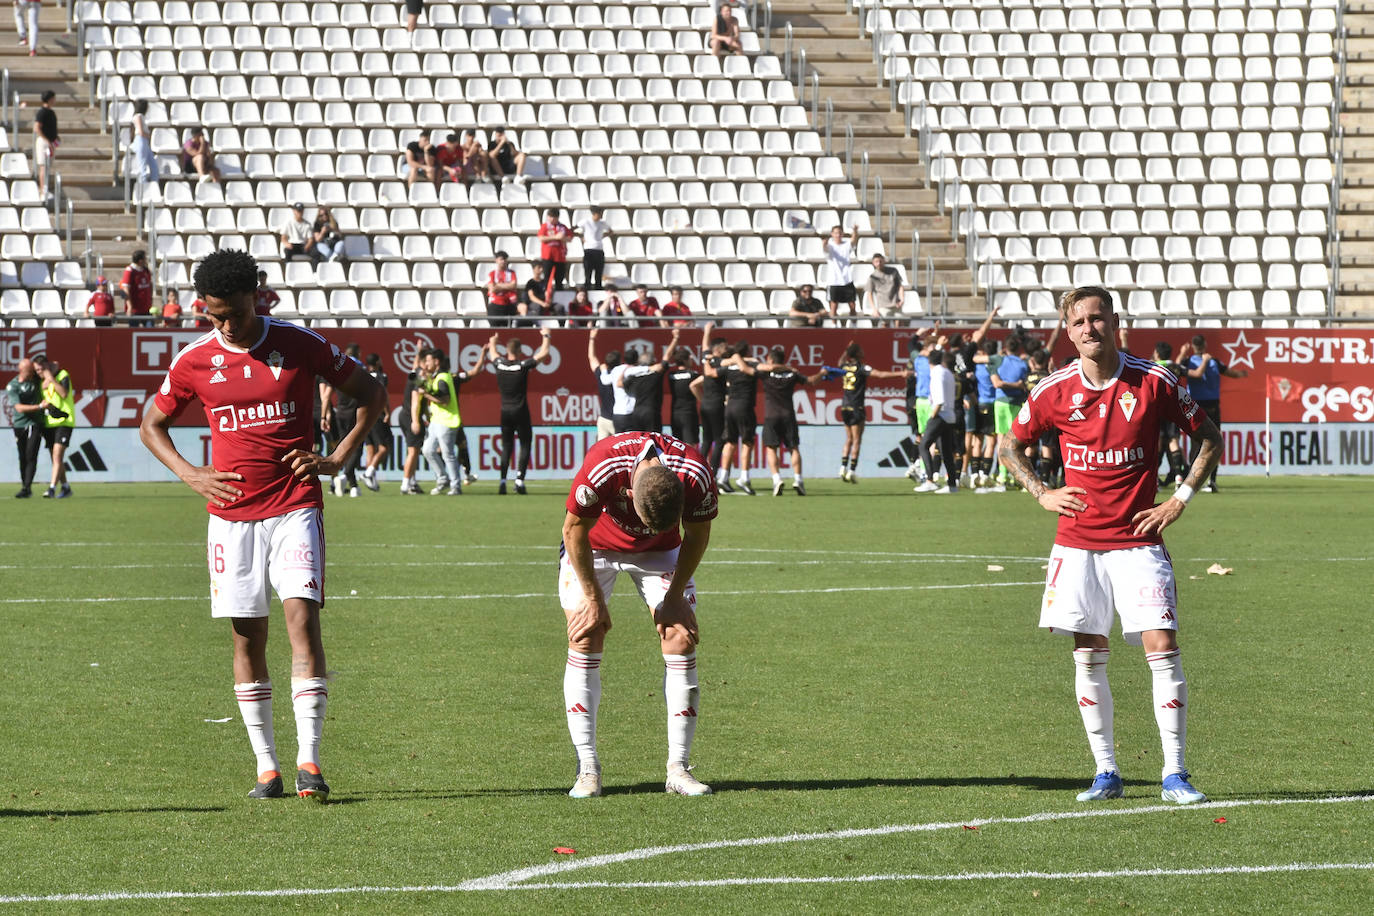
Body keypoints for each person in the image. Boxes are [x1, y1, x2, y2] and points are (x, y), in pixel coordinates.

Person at [139, 249, 386, 802]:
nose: (224, 324)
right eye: (213, 315)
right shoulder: (195, 361)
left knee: (303, 624)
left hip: (295, 504)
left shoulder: (300, 344)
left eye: (233, 313)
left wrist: (341, 456)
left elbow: (371, 393)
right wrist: (192, 475)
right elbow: (151, 424)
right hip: (230, 517)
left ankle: (310, 763)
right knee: (247, 635)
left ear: (259, 293)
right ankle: (266, 769)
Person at [999, 285, 1221, 806]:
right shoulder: (1053, 390)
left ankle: (1175, 773)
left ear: (1115, 321)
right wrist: (1042, 492)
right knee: (1087, 652)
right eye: (1077, 323)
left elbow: (1209, 435)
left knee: (1162, 648)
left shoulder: (1153, 381)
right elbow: (1010, 446)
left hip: (1137, 541)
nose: (1088, 330)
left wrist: (1179, 500)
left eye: (1097, 319)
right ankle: (1106, 772)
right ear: (1068, 330)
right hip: (1076, 545)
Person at [559, 430, 719, 798]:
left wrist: (676, 596)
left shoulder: (694, 473)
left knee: (679, 634)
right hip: (594, 547)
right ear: (628, 495)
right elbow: (573, 531)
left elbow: (697, 534)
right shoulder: (603, 465)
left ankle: (679, 769)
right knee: (585, 632)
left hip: (661, 554)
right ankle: (588, 769)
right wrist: (593, 598)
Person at [829, 342, 912, 483]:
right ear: (858, 354)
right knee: (856, 440)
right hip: (856, 407)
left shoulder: (845, 366)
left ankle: (842, 467)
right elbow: (880, 374)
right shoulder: (861, 368)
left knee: (848, 439)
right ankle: (852, 471)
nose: (863, 351)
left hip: (844, 407)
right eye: (860, 349)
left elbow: (840, 362)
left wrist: (846, 350)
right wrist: (900, 373)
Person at [1178, 335, 1248, 493]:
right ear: (1205, 344)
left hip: (1194, 405)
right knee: (1215, 441)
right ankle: (1212, 481)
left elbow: (1176, 367)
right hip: (1213, 406)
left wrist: (1182, 353)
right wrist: (1242, 374)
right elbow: (1232, 373)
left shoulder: (1188, 361)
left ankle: (1191, 480)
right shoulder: (1214, 361)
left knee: (1196, 442)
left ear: (1194, 346)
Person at [489, 330, 552, 494]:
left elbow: (492, 353)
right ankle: (519, 480)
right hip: (521, 411)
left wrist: (493, 341)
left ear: (507, 350)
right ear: (518, 351)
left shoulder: (499, 365)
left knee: (506, 446)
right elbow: (544, 354)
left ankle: (502, 481)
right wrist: (546, 336)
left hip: (505, 411)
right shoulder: (522, 366)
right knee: (524, 444)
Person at [418, 346, 483, 495]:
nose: (426, 364)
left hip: (447, 421)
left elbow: (445, 400)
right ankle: (443, 479)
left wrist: (425, 394)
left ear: (437, 361)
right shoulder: (436, 376)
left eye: (428, 360)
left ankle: (455, 486)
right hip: (436, 420)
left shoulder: (443, 378)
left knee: (448, 454)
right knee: (427, 450)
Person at [756, 347, 822, 495]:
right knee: (793, 448)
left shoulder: (766, 373)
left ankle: (776, 479)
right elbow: (811, 381)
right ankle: (798, 480)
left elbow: (749, 369)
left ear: (771, 360)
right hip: (788, 415)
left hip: (771, 416)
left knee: (771, 448)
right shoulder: (792, 373)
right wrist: (823, 373)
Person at [716, 340, 763, 494]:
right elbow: (756, 364)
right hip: (745, 407)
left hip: (729, 407)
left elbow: (716, 369)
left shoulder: (729, 366)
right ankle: (744, 477)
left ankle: (723, 477)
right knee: (747, 442)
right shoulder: (752, 365)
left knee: (730, 442)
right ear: (747, 351)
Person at [913, 349, 960, 494]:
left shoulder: (936, 373)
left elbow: (939, 399)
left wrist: (933, 415)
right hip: (950, 415)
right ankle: (952, 485)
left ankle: (929, 481)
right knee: (946, 452)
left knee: (923, 445)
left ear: (929, 361)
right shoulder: (947, 373)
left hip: (940, 415)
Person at [323, 343, 366, 498]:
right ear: (358, 353)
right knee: (357, 446)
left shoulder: (337, 365)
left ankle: (351, 484)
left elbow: (327, 394)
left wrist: (324, 414)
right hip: (355, 411)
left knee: (344, 445)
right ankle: (347, 474)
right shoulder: (358, 366)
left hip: (340, 412)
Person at [617, 332, 679, 433]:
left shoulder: (634, 376)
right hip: (651, 412)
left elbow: (619, 383)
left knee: (639, 442)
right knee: (654, 442)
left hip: (636, 412)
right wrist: (675, 339)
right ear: (653, 362)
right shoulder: (656, 374)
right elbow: (667, 356)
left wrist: (627, 368)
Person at [991, 333, 1030, 487]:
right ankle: (1016, 475)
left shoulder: (998, 361)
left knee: (1001, 439)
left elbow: (997, 383)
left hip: (1000, 403)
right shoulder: (1023, 364)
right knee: (1016, 441)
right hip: (1016, 403)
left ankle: (1002, 475)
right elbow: (1024, 384)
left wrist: (1003, 383)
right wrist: (1017, 385)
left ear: (1005, 348)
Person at [691, 323, 730, 472]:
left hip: (705, 404)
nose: (727, 350)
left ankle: (698, 470)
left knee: (706, 440)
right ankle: (712, 474)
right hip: (716, 404)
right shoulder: (720, 362)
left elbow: (705, 345)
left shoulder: (706, 358)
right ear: (718, 349)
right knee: (719, 440)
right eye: (725, 348)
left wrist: (706, 331)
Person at [34, 354, 73, 499]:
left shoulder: (63, 375)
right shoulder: (41, 382)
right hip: (49, 422)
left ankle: (51, 488)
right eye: (36, 370)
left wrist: (51, 378)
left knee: (57, 456)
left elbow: (63, 393)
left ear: (46, 367)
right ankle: (66, 487)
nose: (38, 372)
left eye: (39, 369)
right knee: (55, 458)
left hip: (65, 421)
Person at [6, 358, 44, 498]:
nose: (32, 373)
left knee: (31, 454)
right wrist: (39, 406)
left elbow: (54, 365)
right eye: (29, 371)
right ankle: (25, 487)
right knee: (22, 456)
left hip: (35, 423)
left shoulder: (35, 379)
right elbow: (19, 408)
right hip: (20, 424)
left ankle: (27, 487)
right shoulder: (13, 386)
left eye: (32, 370)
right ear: (21, 371)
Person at [398, 349, 427, 494]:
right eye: (427, 360)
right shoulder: (420, 376)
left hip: (404, 415)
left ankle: (412, 482)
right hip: (411, 416)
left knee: (413, 452)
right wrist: (416, 420)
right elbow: (416, 399)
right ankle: (405, 484)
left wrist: (417, 350)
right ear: (423, 361)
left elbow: (416, 363)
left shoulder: (415, 372)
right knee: (413, 451)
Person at [360, 353, 390, 491]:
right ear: (378, 362)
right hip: (377, 416)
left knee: (371, 449)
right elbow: (382, 394)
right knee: (384, 447)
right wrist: (388, 412)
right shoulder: (381, 377)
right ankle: (368, 473)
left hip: (365, 416)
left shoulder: (363, 376)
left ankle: (371, 480)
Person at [587, 329, 622, 440]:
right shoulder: (621, 376)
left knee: (602, 453)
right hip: (617, 419)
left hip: (603, 419)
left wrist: (592, 338)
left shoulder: (601, 373)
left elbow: (591, 358)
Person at [824, 224, 860, 323]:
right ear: (832, 234)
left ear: (842, 234)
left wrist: (855, 231)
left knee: (852, 306)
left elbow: (853, 240)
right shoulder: (830, 246)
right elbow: (825, 249)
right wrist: (824, 244)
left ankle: (854, 327)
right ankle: (834, 329)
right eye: (836, 233)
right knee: (833, 307)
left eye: (840, 232)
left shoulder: (846, 244)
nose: (838, 235)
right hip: (834, 281)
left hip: (847, 279)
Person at [666, 346, 700, 448]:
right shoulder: (693, 375)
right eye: (690, 359)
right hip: (689, 413)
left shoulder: (671, 375)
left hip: (675, 413)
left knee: (677, 444)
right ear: (685, 360)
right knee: (690, 445)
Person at [538, 208, 572, 291]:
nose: (552, 219)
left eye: (554, 217)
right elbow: (541, 238)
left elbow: (569, 238)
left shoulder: (562, 227)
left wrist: (563, 238)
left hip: (560, 256)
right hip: (547, 256)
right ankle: (546, 295)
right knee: (547, 278)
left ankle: (559, 295)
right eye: (550, 217)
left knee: (559, 279)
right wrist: (555, 237)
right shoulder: (545, 226)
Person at [865, 253, 905, 324]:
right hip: (883, 306)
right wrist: (874, 309)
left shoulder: (893, 271)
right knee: (885, 326)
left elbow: (900, 286)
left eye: (880, 261)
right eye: (876, 261)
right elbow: (869, 294)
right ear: (873, 263)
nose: (879, 263)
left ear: (884, 261)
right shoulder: (872, 277)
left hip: (896, 304)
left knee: (899, 325)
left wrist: (902, 299)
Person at [485, 250, 519, 327]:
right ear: (496, 260)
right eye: (501, 259)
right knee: (494, 329)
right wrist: (507, 286)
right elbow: (492, 289)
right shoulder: (492, 273)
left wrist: (498, 285)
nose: (503, 261)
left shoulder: (511, 273)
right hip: (495, 305)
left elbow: (513, 286)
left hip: (509, 305)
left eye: (505, 259)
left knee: (507, 330)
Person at [129, 98, 159, 185]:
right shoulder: (138, 116)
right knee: (143, 168)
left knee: (154, 167)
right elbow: (141, 132)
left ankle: (154, 187)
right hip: (141, 141)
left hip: (144, 142)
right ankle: (143, 189)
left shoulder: (141, 117)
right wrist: (149, 135)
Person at [120, 249, 154, 327]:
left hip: (146, 308)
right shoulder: (130, 271)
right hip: (135, 310)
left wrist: (150, 299)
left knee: (151, 331)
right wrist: (129, 306)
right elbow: (125, 289)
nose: (146, 260)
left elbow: (149, 284)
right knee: (134, 331)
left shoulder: (145, 270)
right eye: (144, 258)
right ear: (140, 260)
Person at [33, 90, 58, 196]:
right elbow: (37, 128)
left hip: (51, 142)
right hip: (44, 142)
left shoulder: (51, 112)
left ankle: (45, 188)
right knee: (43, 166)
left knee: (48, 166)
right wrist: (47, 140)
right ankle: (42, 189)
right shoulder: (42, 112)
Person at [580, 208, 610, 289]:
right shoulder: (586, 222)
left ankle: (598, 289)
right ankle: (587, 289)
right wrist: (582, 237)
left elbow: (611, 231)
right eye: (599, 214)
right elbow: (574, 229)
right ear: (594, 214)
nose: (600, 216)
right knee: (588, 273)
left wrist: (602, 236)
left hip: (599, 249)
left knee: (598, 273)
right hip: (589, 250)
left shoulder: (602, 223)